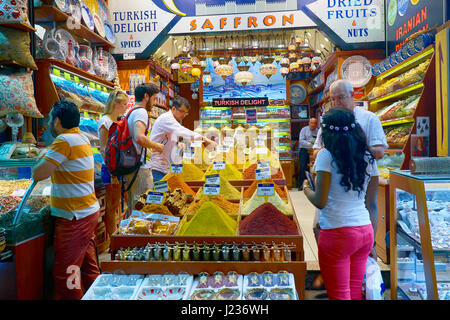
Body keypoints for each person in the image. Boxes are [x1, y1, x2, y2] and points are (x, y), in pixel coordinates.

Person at [310, 79, 388, 289]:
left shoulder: (368, 119)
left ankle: (335, 271)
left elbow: (380, 151)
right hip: (353, 219)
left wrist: (349, 154)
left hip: (345, 213)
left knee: (342, 287)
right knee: (317, 227)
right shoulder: (331, 122)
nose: (336, 102)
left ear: (353, 96)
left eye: (340, 97)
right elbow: (318, 148)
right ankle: (331, 272)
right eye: (333, 98)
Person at [303, 107, 378, 300]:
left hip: (337, 234)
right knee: (354, 291)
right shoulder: (368, 157)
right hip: (364, 231)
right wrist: (373, 243)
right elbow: (373, 204)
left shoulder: (326, 156)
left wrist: (306, 189)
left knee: (339, 294)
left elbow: (320, 201)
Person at [32, 100, 101, 299]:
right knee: (88, 267)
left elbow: (38, 174)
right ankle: (98, 294)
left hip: (74, 217)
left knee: (66, 274)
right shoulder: (81, 137)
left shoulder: (63, 141)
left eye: (51, 118)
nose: (50, 122)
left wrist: (41, 156)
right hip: (86, 212)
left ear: (58, 121)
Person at [149, 96, 217, 181]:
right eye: (182, 112)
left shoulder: (173, 121)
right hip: (159, 169)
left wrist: (180, 143)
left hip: (168, 167)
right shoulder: (166, 119)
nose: (184, 115)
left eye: (186, 113)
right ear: (173, 109)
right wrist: (205, 139)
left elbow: (176, 136)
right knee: (161, 193)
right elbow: (184, 132)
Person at [124, 83, 164, 215]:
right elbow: (139, 137)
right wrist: (157, 146)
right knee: (142, 205)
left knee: (134, 204)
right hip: (139, 167)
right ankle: (138, 233)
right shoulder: (141, 112)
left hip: (131, 164)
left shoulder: (130, 111)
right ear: (146, 96)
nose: (153, 103)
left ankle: (132, 233)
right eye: (153, 99)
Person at [98, 90, 129, 243]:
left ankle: (119, 237)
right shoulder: (105, 121)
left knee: (119, 206)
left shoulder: (118, 120)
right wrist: (112, 173)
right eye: (123, 104)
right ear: (115, 104)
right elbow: (104, 149)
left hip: (119, 169)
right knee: (112, 208)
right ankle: (113, 242)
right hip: (111, 170)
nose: (125, 107)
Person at [298, 117, 318, 190]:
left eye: (314, 123)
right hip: (304, 150)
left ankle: (311, 185)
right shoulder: (304, 130)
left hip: (313, 152)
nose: (313, 124)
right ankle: (301, 185)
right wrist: (310, 145)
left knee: (312, 168)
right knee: (303, 167)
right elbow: (301, 140)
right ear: (309, 123)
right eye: (311, 123)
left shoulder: (317, 130)